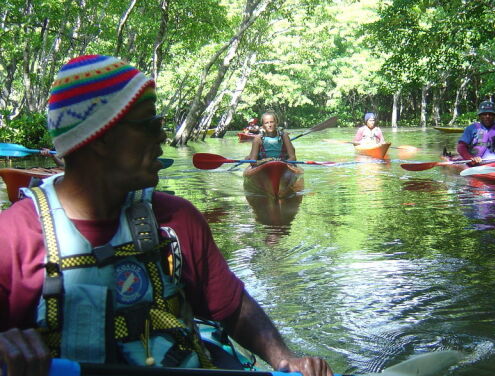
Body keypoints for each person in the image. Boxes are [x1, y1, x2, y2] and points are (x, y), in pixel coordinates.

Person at [0, 55, 330, 376]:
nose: (162, 136)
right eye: (150, 124)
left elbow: (232, 307)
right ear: (100, 138)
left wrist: (286, 359)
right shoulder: (12, 238)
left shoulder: (176, 218)